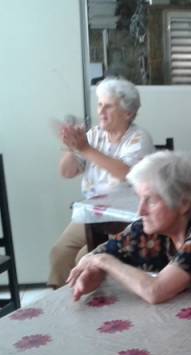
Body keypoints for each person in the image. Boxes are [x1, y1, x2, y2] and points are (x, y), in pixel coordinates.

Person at [66, 151, 191, 304]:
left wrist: (103, 262)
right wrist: (92, 273)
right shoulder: (149, 230)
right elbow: (92, 258)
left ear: (183, 203)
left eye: (150, 200)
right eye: (140, 198)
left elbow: (155, 291)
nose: (140, 210)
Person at [49, 77, 154, 288]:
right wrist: (72, 147)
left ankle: (92, 306)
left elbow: (125, 173)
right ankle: (61, 302)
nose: (100, 111)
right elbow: (67, 172)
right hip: (93, 213)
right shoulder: (94, 135)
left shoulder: (139, 139)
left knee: (84, 258)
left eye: (108, 106)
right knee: (59, 253)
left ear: (128, 112)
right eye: (99, 104)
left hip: (127, 218)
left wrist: (85, 149)